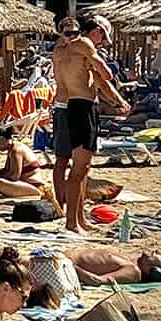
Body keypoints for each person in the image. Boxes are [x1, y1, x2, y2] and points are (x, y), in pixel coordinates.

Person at [53, 17, 130, 232]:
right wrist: (96, 60)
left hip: (67, 106)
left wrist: (118, 101)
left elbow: (97, 82)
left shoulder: (60, 52)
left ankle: (78, 218)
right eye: (103, 37)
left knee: (77, 167)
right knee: (79, 169)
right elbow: (106, 75)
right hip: (82, 107)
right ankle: (71, 222)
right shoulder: (84, 46)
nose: (102, 42)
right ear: (95, 32)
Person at [64, 245, 161, 286]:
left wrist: (67, 265)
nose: (157, 251)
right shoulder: (130, 263)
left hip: (61, 265)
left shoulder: (134, 272)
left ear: (155, 271)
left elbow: (96, 280)